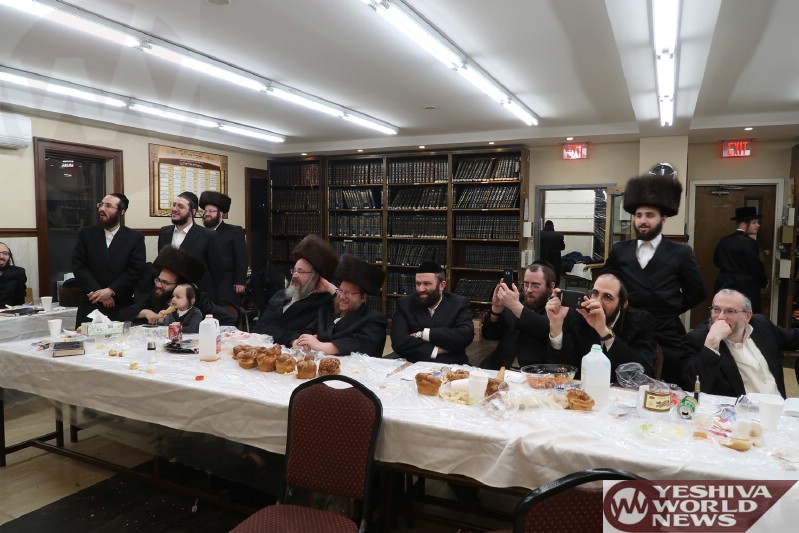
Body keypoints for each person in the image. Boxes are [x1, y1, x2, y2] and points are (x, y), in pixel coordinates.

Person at [603, 171, 706, 384]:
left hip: (666, 330)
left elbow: (697, 292)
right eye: (639, 215)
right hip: (627, 328)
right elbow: (606, 285)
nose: (643, 220)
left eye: (649, 215)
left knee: (671, 382)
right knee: (622, 380)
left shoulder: (681, 252)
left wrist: (670, 307)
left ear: (663, 218)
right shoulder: (620, 251)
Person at [683, 289, 793, 398]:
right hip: (741, 408)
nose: (720, 317)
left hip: (779, 405)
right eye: (716, 310)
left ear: (748, 316)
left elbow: (792, 337)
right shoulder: (698, 339)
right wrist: (711, 344)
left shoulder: (761, 325)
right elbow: (693, 388)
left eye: (730, 311)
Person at [545, 273, 657, 379]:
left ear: (622, 305)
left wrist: (604, 331)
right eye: (595, 293)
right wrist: (556, 325)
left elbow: (643, 371)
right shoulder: (577, 316)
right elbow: (563, 369)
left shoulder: (642, 321)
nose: (598, 302)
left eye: (607, 297)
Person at [71, 193, 146, 325]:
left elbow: (135, 270)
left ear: (121, 212)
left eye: (108, 206)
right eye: (101, 205)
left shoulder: (135, 238)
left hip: (120, 304)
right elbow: (79, 267)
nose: (101, 209)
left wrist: (111, 290)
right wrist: (99, 294)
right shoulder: (86, 234)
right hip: (91, 302)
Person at [293, 254, 387, 357]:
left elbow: (359, 344)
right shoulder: (325, 311)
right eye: (340, 291)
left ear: (363, 297)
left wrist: (320, 346)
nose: (341, 297)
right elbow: (308, 332)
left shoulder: (374, 318)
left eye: (348, 293)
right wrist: (302, 341)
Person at [253, 235, 338, 345]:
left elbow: (308, 337)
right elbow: (262, 327)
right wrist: (291, 338)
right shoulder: (281, 295)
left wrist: (330, 288)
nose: (295, 275)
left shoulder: (323, 303)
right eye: (294, 270)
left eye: (301, 272)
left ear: (316, 277)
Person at [390, 260, 474, 365]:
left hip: (452, 364)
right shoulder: (405, 304)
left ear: (442, 285)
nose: (420, 289)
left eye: (427, 284)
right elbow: (399, 342)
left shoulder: (458, 303)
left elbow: (465, 336)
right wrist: (435, 350)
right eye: (418, 283)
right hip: (416, 364)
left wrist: (424, 334)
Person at [480, 262, 553, 370]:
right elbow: (489, 335)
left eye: (535, 285)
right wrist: (496, 309)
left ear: (551, 287)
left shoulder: (556, 308)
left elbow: (545, 328)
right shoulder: (516, 299)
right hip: (500, 367)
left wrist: (515, 306)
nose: (529, 289)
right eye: (526, 284)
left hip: (535, 371)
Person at [157, 191, 225, 301]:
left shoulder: (208, 236)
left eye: (180, 206)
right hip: (169, 296)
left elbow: (218, 271)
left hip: (197, 297)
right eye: (174, 205)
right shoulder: (164, 232)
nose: (174, 209)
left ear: (192, 212)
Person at [713, 206, 768, 314]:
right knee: (745, 315)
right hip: (745, 286)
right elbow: (755, 266)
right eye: (754, 222)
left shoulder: (724, 240)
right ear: (744, 224)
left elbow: (716, 261)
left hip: (723, 283)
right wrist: (764, 282)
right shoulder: (750, 243)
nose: (758, 225)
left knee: (723, 313)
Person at [199, 191, 248, 306]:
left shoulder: (234, 231)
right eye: (205, 211)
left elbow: (241, 258)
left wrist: (240, 281)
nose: (207, 214)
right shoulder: (200, 233)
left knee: (226, 311)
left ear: (221, 213)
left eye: (211, 211)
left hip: (227, 282)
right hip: (205, 282)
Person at [0, 242, 27, 307]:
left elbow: (20, 302)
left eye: (5, 253)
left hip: (11, 312)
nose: (1, 256)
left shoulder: (18, 273)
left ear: (10, 256)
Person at [539, 220, 566, 286]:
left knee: (544, 276)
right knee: (554, 277)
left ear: (545, 226)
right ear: (553, 226)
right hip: (555, 262)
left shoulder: (540, 234)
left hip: (543, 260)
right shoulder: (559, 236)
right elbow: (562, 247)